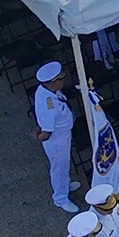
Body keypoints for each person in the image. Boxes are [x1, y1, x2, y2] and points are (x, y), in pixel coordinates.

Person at [34, 61, 80, 213]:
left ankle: (65, 185)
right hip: (57, 140)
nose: (64, 81)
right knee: (59, 169)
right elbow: (46, 133)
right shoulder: (48, 106)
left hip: (63, 135)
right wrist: (38, 137)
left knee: (64, 166)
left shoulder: (49, 91)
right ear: (52, 84)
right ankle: (60, 198)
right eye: (61, 79)